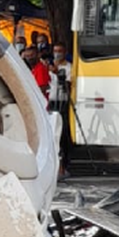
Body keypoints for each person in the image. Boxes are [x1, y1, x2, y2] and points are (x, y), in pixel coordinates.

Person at [47, 41, 72, 178]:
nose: (57, 54)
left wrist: (57, 73)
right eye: (55, 51)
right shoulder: (48, 67)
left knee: (62, 133)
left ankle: (65, 165)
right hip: (51, 101)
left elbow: (68, 84)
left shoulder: (69, 67)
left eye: (60, 51)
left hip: (62, 101)